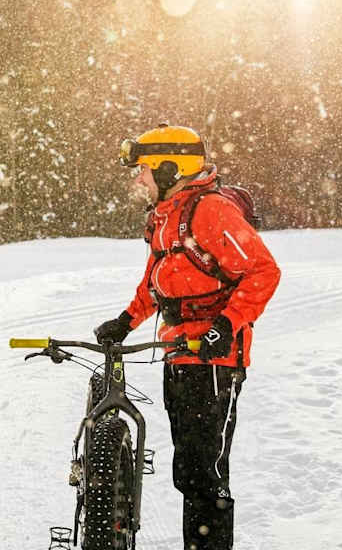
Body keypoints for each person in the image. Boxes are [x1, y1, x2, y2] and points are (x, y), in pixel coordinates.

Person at [93, 124, 280, 550]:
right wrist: (127, 320)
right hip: (180, 352)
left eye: (143, 170)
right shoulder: (166, 216)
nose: (138, 179)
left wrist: (227, 325)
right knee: (189, 471)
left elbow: (263, 271)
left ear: (168, 169)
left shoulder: (210, 211)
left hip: (215, 359)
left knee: (204, 474)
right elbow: (160, 281)